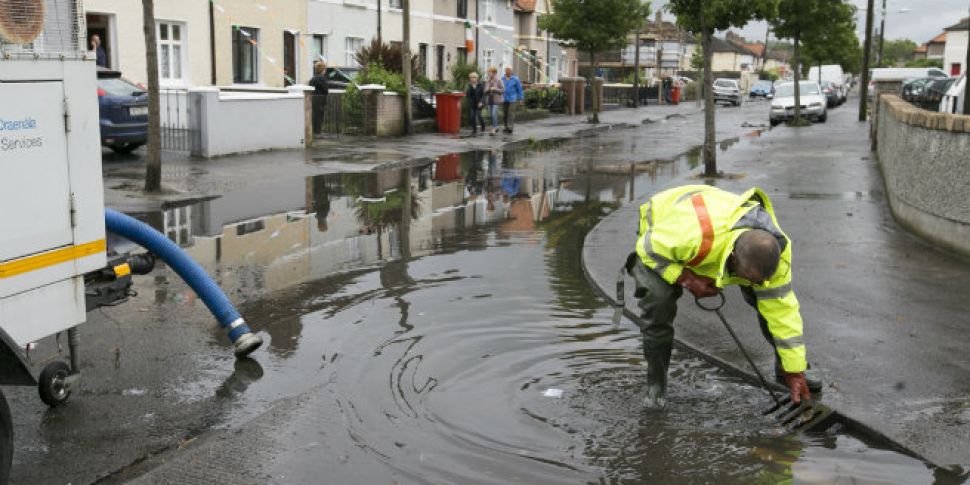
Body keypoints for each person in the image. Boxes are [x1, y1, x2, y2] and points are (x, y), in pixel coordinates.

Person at [625, 185, 822, 409]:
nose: (757, 285)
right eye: (749, 278)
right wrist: (688, 279)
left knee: (770, 302)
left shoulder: (776, 253)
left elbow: (783, 313)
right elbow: (649, 249)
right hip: (665, 232)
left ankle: (786, 371)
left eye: (759, 280)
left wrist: (795, 370)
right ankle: (656, 386)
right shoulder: (690, 236)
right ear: (733, 258)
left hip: (715, 231)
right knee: (658, 302)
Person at [308, 61, 329, 135]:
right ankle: (317, 133)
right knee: (319, 118)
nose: (325, 71)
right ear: (322, 70)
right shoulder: (321, 78)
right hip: (320, 101)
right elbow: (326, 90)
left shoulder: (313, 78)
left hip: (313, 100)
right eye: (324, 69)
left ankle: (315, 132)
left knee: (314, 117)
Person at [502, 66, 523, 134]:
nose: (508, 71)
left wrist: (520, 99)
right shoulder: (502, 79)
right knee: (505, 113)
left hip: (512, 98)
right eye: (507, 70)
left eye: (509, 70)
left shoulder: (515, 79)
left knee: (511, 113)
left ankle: (510, 127)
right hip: (504, 98)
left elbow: (519, 89)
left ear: (511, 71)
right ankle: (505, 126)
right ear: (505, 71)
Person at [484, 67, 505, 136]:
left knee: (493, 114)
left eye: (490, 72)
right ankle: (495, 127)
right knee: (490, 115)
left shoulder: (499, 80)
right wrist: (487, 89)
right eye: (489, 72)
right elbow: (485, 90)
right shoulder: (488, 81)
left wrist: (495, 89)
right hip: (489, 99)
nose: (489, 73)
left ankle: (494, 128)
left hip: (496, 100)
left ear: (494, 73)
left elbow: (503, 90)